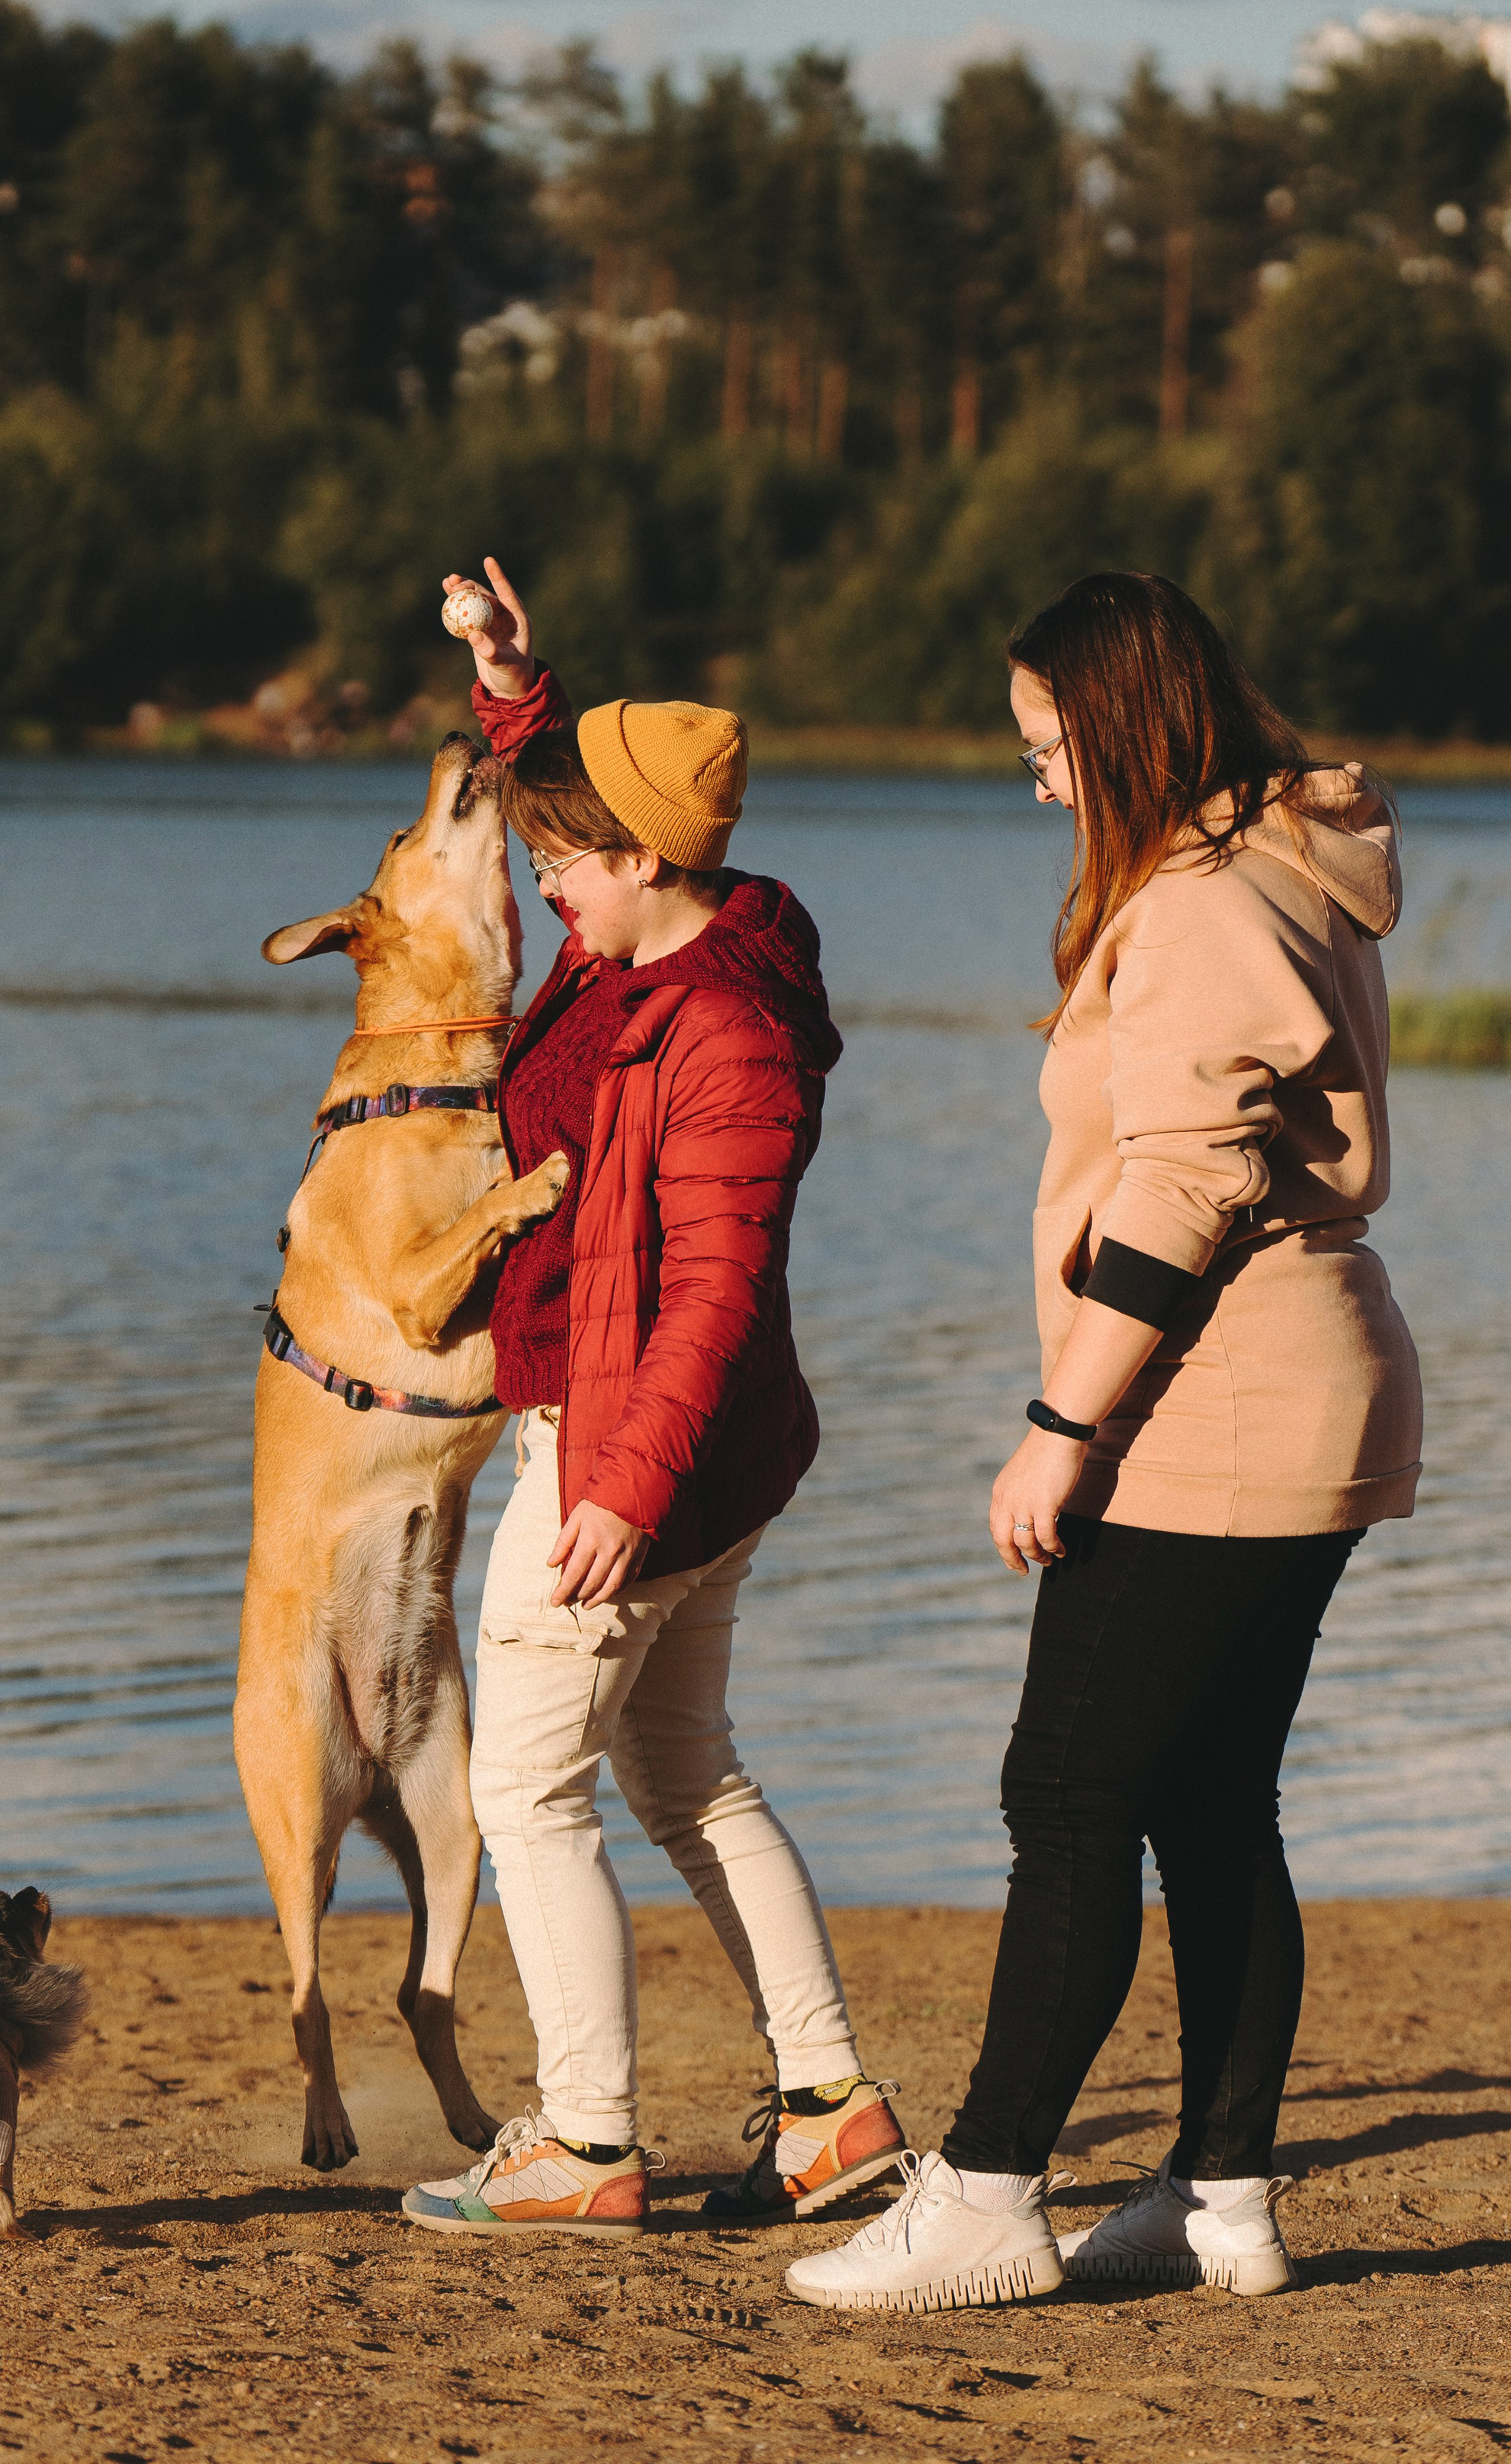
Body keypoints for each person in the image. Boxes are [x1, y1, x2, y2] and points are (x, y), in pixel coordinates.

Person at [787, 571, 1423, 2315]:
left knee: (1064, 1793)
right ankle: (1220, 2190)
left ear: (1127, 726)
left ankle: (988, 2187)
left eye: (1049, 746)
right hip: (1309, 1379)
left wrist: (1061, 1421)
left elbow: (1185, 1174)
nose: (1040, 783)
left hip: (1213, 1393)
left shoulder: (1210, 900)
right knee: (1213, 1802)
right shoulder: (1281, 864)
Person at [401, 558, 907, 2237]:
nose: (548, 887)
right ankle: (832, 2108)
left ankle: (583, 2137)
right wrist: (516, 692)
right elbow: (603, 810)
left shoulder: (725, 1039)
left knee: (522, 1789)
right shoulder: (690, 933)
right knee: (685, 1768)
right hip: (687, 1450)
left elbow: (714, 1288)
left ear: (640, 862)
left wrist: (613, 1484)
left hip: (630, 1445)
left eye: (562, 862)